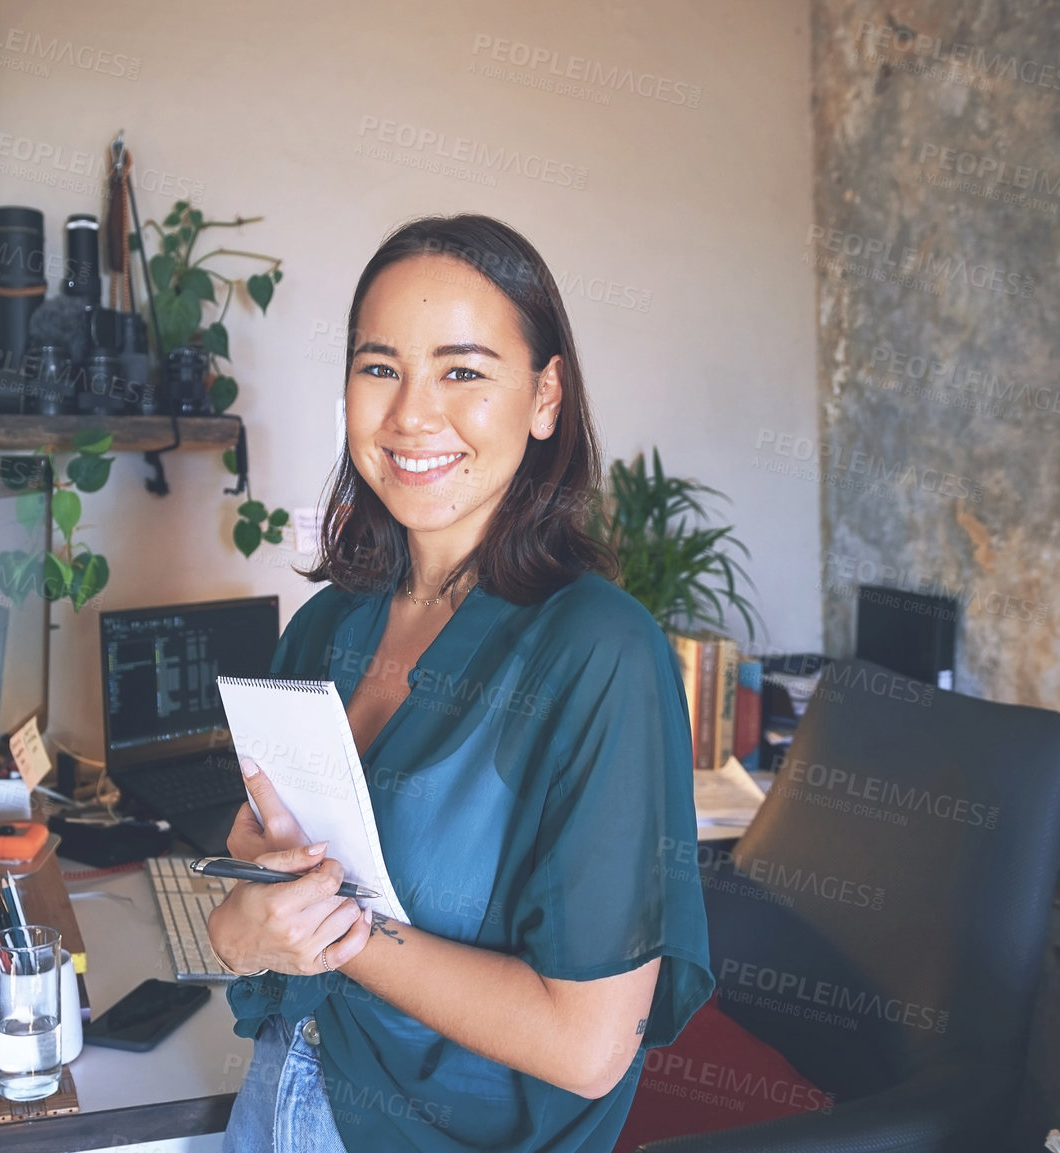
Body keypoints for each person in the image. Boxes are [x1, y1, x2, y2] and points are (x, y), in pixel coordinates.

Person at [208, 214, 712, 1153]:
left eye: (465, 371)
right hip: (279, 1102)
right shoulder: (324, 628)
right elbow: (251, 907)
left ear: (546, 395)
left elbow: (589, 1043)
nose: (411, 415)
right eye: (380, 367)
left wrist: (341, 931)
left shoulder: (601, 653)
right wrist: (242, 927)